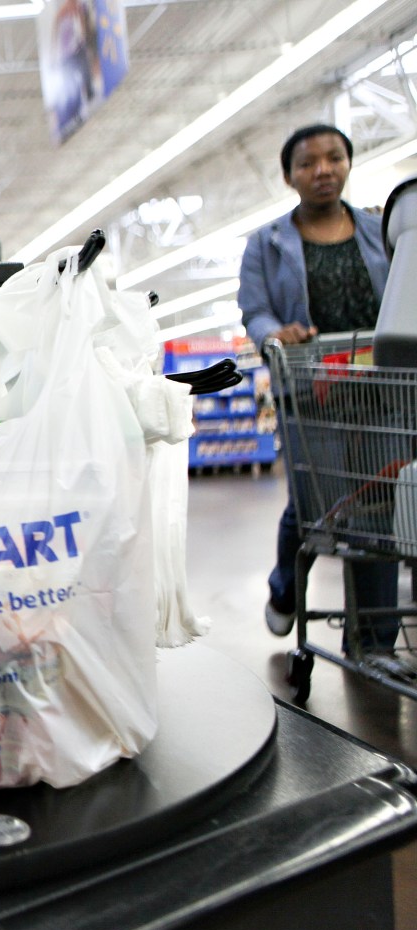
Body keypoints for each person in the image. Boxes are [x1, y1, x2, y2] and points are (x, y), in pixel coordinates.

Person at [239, 123, 404, 670]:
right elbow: (257, 310)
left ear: (349, 165)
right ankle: (286, 586)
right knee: (315, 507)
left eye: (334, 158)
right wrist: (272, 334)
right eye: (309, 163)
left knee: (380, 513)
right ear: (290, 176)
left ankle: (376, 644)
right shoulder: (267, 243)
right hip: (311, 394)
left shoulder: (379, 230)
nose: (323, 170)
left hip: (379, 391)